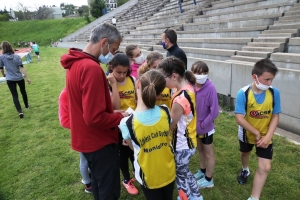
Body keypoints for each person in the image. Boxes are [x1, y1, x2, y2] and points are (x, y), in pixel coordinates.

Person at [60, 22, 128, 200]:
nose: (112, 55)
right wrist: (119, 117)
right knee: (108, 191)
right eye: (113, 49)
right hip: (98, 142)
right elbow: (94, 118)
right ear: (104, 42)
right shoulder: (91, 69)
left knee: (98, 184)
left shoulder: (76, 63)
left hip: (85, 139)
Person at [119, 70, 176, 200]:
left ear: (137, 84)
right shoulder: (166, 111)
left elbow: (134, 148)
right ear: (160, 93)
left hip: (148, 176)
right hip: (168, 170)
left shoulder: (126, 123)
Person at [157, 57, 203, 200]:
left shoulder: (179, 100)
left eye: (162, 78)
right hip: (189, 142)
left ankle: (186, 197)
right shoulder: (187, 88)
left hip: (182, 144)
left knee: (180, 175)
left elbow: (171, 125)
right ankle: (196, 196)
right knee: (185, 172)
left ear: (174, 76)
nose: (161, 82)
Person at [234, 58, 281, 200]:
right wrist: (255, 132)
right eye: (267, 79)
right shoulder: (243, 93)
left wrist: (267, 137)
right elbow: (239, 118)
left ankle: (254, 197)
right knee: (244, 153)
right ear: (255, 77)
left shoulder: (274, 93)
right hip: (247, 134)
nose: (270, 83)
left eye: (272, 79)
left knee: (265, 167)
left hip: (266, 136)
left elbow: (275, 116)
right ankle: (245, 169)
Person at [106, 53, 139, 195]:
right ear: (111, 68)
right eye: (119, 72)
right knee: (123, 153)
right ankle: (126, 179)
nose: (121, 75)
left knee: (134, 149)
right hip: (118, 124)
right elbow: (114, 107)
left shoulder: (132, 79)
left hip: (133, 120)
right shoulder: (107, 83)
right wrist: (114, 85)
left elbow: (137, 99)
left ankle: (136, 170)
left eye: (125, 72)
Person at [58, 87, 92, 194]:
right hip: (81, 134)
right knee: (84, 160)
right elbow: (64, 121)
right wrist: (83, 126)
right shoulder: (65, 94)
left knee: (93, 158)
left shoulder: (87, 91)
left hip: (93, 133)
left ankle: (89, 175)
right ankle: (88, 184)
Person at [191, 61, 219, 189]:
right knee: (200, 150)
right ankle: (202, 171)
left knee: (209, 154)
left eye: (204, 73)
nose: (201, 75)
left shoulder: (210, 88)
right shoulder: (191, 86)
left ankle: (209, 179)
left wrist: (202, 125)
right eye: (197, 73)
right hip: (195, 128)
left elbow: (214, 112)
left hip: (205, 129)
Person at [0, 41, 31, 118]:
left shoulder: (2, 57)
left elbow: (1, 69)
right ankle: (26, 106)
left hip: (10, 79)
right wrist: (27, 77)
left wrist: (4, 75)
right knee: (23, 92)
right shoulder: (16, 56)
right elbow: (22, 67)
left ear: (3, 48)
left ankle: (20, 111)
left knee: (14, 95)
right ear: (11, 47)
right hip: (19, 77)